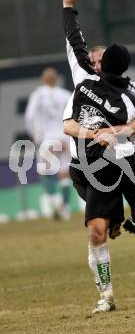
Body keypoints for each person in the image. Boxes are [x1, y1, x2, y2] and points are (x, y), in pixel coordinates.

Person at [62, 0, 135, 313]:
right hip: (91, 164)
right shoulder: (83, 84)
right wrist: (68, 9)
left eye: (100, 60)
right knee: (97, 230)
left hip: (127, 158)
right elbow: (74, 43)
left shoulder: (132, 89)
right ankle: (106, 295)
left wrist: (114, 132)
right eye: (92, 60)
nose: (94, 63)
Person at [25, 67, 72, 220]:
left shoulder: (38, 95)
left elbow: (30, 116)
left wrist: (35, 133)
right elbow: (75, 115)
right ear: (56, 79)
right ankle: (65, 208)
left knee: (44, 171)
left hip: (48, 138)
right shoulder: (65, 94)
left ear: (43, 79)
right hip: (64, 137)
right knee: (64, 173)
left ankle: (55, 200)